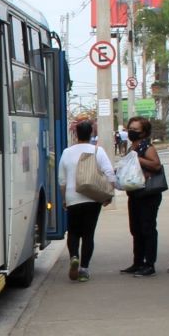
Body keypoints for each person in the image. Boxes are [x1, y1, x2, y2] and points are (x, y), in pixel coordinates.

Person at [58, 119, 115, 283]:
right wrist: (108, 194)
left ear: (75, 134)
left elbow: (61, 180)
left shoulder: (67, 152)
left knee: (74, 232)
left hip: (72, 197)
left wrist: (64, 198)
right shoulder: (98, 151)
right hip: (92, 197)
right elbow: (109, 173)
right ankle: (83, 269)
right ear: (91, 133)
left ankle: (74, 256)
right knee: (88, 234)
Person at [119, 115, 164, 277]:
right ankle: (137, 262)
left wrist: (138, 159)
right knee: (136, 229)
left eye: (135, 130)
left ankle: (149, 263)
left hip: (148, 194)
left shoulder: (147, 147)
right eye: (130, 129)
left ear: (144, 132)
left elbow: (156, 165)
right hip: (135, 193)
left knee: (147, 228)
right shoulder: (132, 147)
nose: (131, 132)